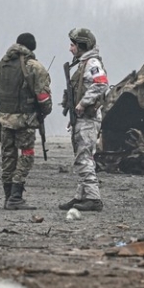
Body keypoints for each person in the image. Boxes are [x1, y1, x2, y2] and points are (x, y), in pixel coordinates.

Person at [0, 33, 52, 210]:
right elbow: (43, 97)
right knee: (26, 155)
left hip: (4, 119)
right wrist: (43, 112)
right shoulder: (34, 67)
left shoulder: (3, 64)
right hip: (25, 120)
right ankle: (16, 197)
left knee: (8, 157)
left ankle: (8, 197)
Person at [58, 27, 108, 212]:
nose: (70, 49)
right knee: (82, 157)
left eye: (73, 45)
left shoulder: (92, 63)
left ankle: (93, 198)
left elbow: (101, 84)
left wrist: (83, 104)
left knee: (84, 157)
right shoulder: (83, 63)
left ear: (81, 45)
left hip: (88, 118)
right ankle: (82, 196)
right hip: (82, 119)